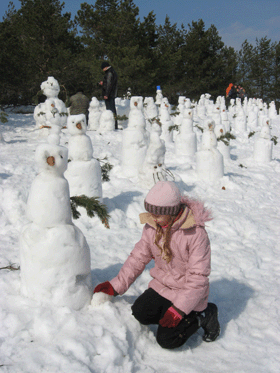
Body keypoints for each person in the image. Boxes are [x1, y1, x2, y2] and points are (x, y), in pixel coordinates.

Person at [94, 181, 220, 350]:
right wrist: (116, 285)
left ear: (172, 212)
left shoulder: (195, 234)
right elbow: (138, 258)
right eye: (150, 213)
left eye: (158, 215)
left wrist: (179, 309)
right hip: (163, 286)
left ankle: (203, 316)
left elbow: (198, 279)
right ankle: (172, 314)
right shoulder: (153, 227)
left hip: (188, 293)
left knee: (167, 340)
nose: (152, 218)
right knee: (140, 312)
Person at [99, 61, 118, 129]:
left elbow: (109, 84)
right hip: (111, 93)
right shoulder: (112, 71)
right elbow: (108, 82)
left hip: (109, 94)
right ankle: (114, 124)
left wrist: (106, 94)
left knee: (110, 110)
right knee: (112, 109)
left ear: (105, 67)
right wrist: (103, 83)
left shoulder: (109, 73)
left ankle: (113, 125)